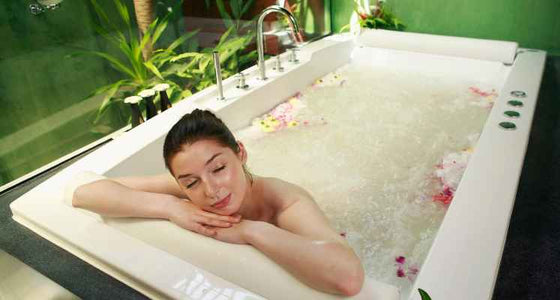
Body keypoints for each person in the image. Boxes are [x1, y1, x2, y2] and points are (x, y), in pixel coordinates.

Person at [73, 109, 364, 296]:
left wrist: (252, 231)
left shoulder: (285, 200)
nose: (211, 190)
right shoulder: (185, 193)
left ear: (240, 153)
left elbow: (348, 278)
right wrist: (171, 207)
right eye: (190, 182)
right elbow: (85, 193)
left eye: (218, 168)